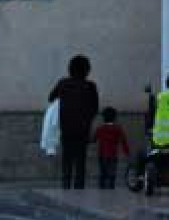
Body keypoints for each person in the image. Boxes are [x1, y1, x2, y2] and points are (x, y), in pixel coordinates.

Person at [48, 54, 99, 190]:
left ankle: (66, 185)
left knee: (67, 159)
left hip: (66, 127)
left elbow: (51, 98)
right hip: (83, 129)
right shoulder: (90, 86)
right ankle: (78, 188)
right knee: (81, 160)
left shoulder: (63, 83)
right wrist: (86, 119)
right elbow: (95, 108)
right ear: (86, 70)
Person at [92, 107, 130, 189]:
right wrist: (127, 152)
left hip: (102, 154)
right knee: (112, 173)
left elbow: (94, 139)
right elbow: (123, 141)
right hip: (113, 154)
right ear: (114, 118)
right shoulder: (118, 129)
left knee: (103, 173)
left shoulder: (100, 129)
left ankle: (101, 188)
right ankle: (111, 187)